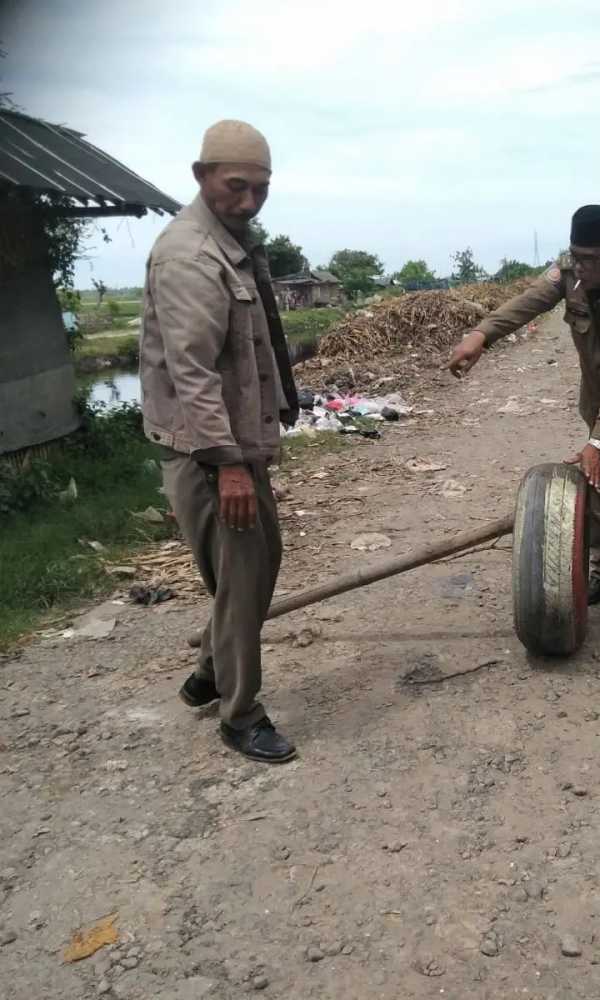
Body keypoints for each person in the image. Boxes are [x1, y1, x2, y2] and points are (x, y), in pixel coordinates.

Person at [140, 120, 299, 762]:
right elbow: (193, 371)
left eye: (261, 189)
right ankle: (240, 714)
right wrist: (228, 466)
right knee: (243, 576)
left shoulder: (231, 244)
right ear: (201, 175)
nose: (250, 201)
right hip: (208, 454)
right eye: (237, 186)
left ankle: (209, 673)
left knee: (258, 568)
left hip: (235, 448)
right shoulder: (189, 256)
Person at [448, 205, 600, 626]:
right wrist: (481, 334)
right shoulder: (570, 272)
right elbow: (529, 302)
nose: (579, 265)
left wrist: (597, 442)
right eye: (575, 254)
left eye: (590, 258)